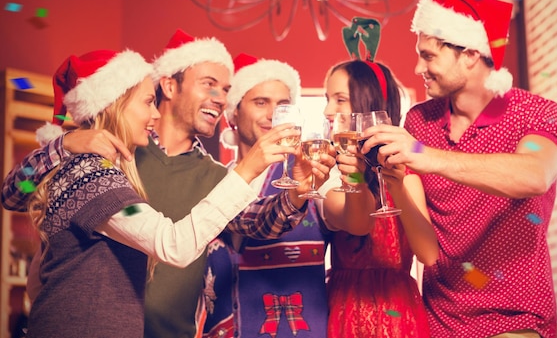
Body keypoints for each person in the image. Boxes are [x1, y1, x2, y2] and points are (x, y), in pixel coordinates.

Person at [2, 30, 326, 338]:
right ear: (169, 86)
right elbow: (16, 192)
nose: (219, 99)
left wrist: (298, 192)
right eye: (209, 84)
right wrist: (65, 143)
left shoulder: (211, 174)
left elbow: (258, 222)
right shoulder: (105, 161)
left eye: (226, 91)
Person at [361, 0, 557, 338]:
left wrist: (428, 157)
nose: (418, 68)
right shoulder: (419, 122)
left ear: (471, 55)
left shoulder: (534, 112)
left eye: (428, 56)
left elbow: (535, 175)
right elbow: (426, 252)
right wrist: (396, 180)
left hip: (515, 320)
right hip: (440, 322)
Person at [198, 54, 342, 338]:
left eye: (283, 105)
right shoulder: (213, 179)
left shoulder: (314, 171)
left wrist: (357, 173)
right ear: (233, 114)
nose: (273, 115)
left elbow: (352, 217)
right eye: (261, 102)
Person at [322, 38, 439, 336]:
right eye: (327, 99)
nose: (327, 110)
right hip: (346, 311)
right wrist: (357, 177)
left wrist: (397, 185)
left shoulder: (407, 175)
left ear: (367, 107)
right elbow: (359, 223)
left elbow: (428, 255)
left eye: (339, 99)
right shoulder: (330, 176)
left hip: (399, 316)